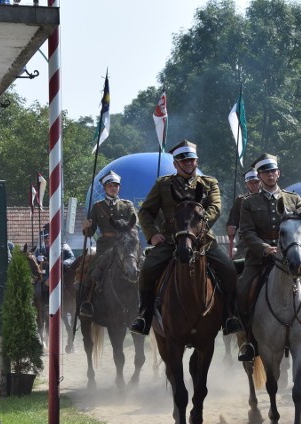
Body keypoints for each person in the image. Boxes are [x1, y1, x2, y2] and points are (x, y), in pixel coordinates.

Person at [130, 140, 241, 336]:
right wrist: (153, 234)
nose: (188, 163)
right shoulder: (163, 184)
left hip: (203, 240)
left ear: (196, 161)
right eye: (183, 160)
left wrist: (198, 225)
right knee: (147, 270)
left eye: (191, 159)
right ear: (175, 164)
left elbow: (215, 208)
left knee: (229, 270)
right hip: (170, 240)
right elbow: (146, 211)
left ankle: (229, 316)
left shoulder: (209, 183)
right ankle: (144, 316)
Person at [235, 153, 301, 362]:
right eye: (265, 172)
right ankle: (250, 342)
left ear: (278, 173)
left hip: (292, 255)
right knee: (242, 290)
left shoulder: (293, 198)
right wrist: (264, 247)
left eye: (273, 171)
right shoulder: (249, 202)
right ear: (259, 176)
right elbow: (247, 231)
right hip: (261, 257)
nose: (270, 175)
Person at [78, 170, 137, 318]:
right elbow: (89, 233)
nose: (113, 188)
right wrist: (85, 227)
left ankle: (143, 304)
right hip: (106, 246)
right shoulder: (97, 207)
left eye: (116, 185)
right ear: (105, 188)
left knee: (141, 267)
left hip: (125, 245)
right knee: (92, 272)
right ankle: (87, 303)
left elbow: (134, 226)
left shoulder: (127, 205)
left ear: (119, 188)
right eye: (110, 185)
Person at [226, 169, 261, 259]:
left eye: (256, 182)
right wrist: (231, 227)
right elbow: (233, 220)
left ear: (260, 182)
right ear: (246, 184)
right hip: (246, 240)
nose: (253, 185)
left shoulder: (267, 198)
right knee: (234, 258)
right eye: (250, 183)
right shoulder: (240, 200)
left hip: (265, 237)